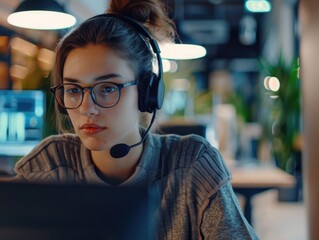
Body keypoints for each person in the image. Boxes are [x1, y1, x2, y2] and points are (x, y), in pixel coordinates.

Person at [13, 0, 259, 239]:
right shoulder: (50, 165)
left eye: (108, 88)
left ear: (146, 92)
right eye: (74, 90)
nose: (88, 109)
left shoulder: (192, 166)